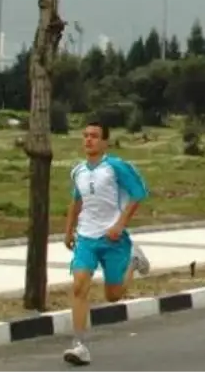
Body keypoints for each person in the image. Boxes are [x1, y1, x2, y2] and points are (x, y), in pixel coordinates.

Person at [63, 120, 151, 366]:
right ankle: (79, 345)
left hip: (113, 238)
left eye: (94, 136)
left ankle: (133, 261)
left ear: (104, 142)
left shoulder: (115, 167)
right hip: (86, 238)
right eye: (85, 136)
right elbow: (76, 202)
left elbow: (138, 193)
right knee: (80, 286)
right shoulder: (78, 171)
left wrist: (120, 224)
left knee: (113, 296)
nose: (88, 140)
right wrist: (68, 231)